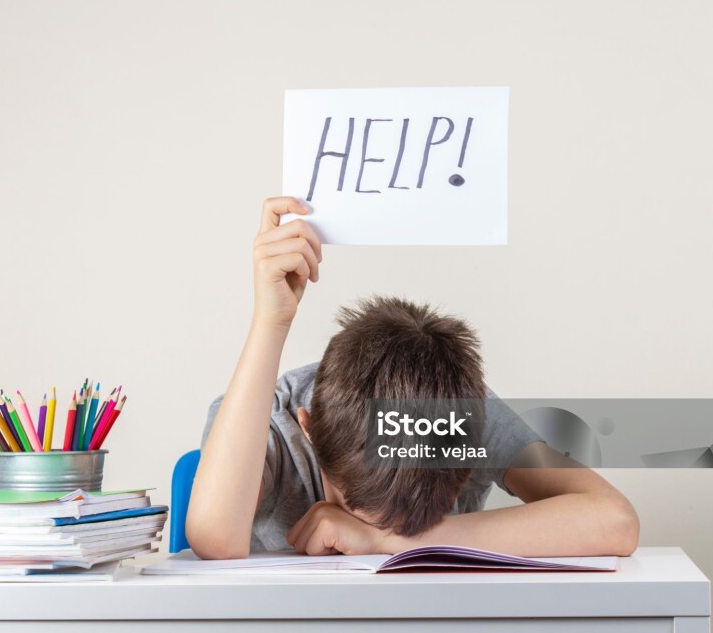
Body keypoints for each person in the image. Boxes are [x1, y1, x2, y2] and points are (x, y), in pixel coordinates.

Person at [186, 197, 639, 559]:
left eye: (416, 519)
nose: (385, 530)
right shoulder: (261, 421)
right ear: (308, 429)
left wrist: (391, 543)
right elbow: (214, 537)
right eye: (366, 514)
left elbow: (614, 519)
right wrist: (272, 320)